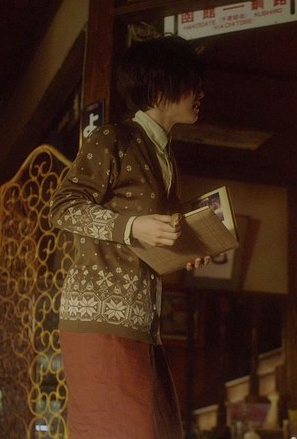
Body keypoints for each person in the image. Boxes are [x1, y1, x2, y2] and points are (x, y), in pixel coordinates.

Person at [49, 34, 210, 439]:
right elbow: (63, 207)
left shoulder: (163, 154)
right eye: (192, 83)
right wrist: (133, 226)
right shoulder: (113, 138)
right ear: (160, 87)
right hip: (101, 318)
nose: (200, 93)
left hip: (140, 322)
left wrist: (186, 248)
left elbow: (149, 238)